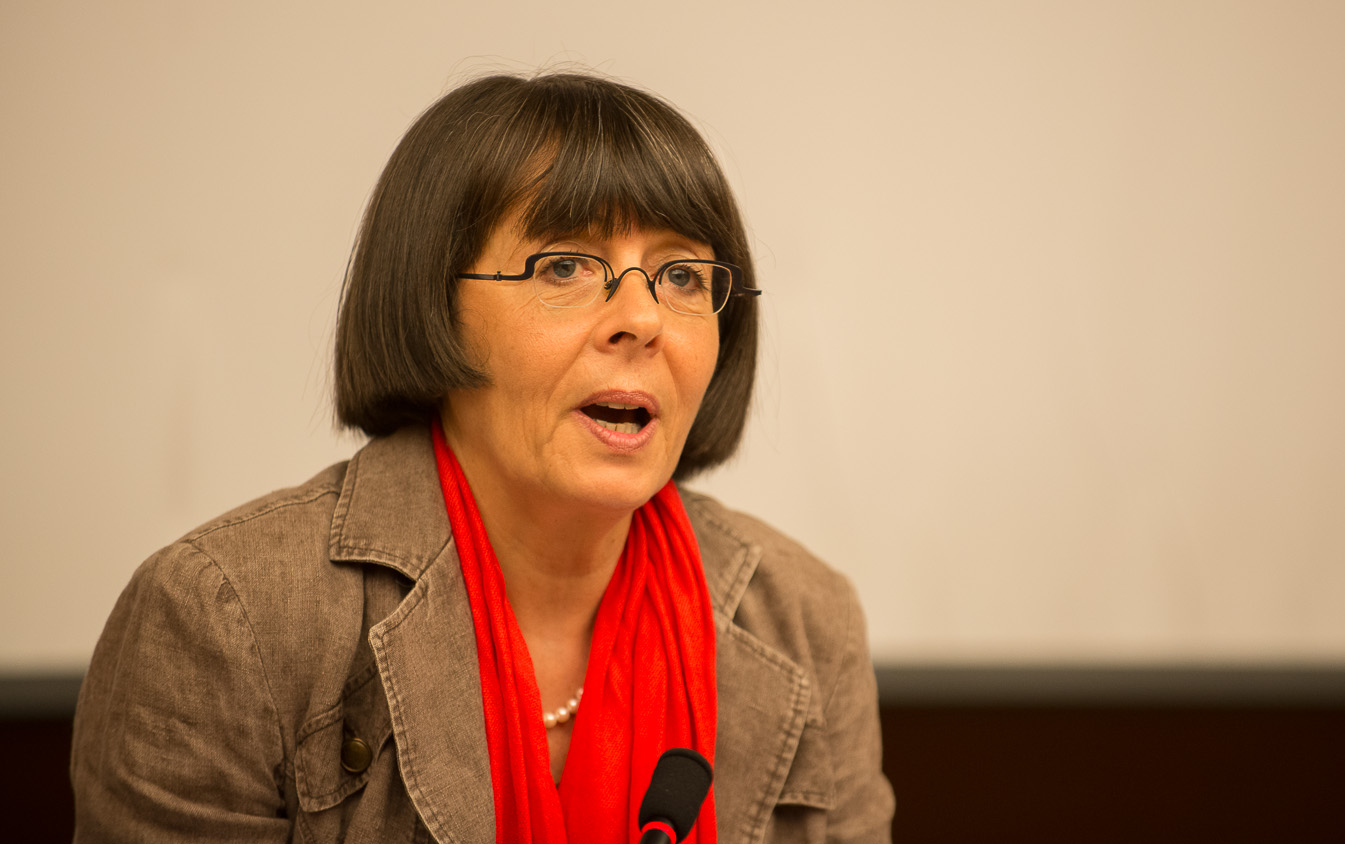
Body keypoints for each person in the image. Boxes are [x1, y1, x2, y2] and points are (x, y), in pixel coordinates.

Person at [70, 71, 894, 843]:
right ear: (432, 302)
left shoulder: (806, 620)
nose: (643, 320)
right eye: (566, 266)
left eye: (682, 275)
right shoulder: (226, 618)